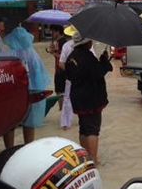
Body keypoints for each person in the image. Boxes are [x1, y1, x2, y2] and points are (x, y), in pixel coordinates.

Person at [65, 32, 113, 164]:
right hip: (91, 99)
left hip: (78, 98)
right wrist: (104, 61)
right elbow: (97, 73)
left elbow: (69, 76)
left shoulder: (71, 57)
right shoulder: (88, 57)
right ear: (86, 43)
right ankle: (94, 160)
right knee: (92, 129)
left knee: (83, 127)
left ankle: (85, 158)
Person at [0, 27, 51, 148]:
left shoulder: (7, 54)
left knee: (10, 123)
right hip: (30, 92)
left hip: (12, 94)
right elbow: (40, 75)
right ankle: (29, 147)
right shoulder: (33, 54)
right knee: (29, 122)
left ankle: (9, 149)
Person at [58, 25, 77, 130]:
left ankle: (65, 123)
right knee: (83, 97)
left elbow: (61, 63)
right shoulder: (87, 45)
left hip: (70, 77)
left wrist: (70, 71)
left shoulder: (66, 45)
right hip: (83, 78)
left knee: (67, 99)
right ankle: (81, 120)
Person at [48, 25, 68, 110]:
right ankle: (62, 109)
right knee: (60, 90)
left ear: (58, 32)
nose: (51, 34)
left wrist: (52, 52)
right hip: (59, 69)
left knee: (60, 91)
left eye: (53, 31)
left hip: (61, 70)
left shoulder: (62, 42)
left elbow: (63, 57)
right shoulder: (60, 41)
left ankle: (62, 109)